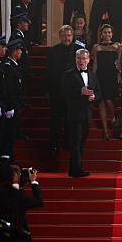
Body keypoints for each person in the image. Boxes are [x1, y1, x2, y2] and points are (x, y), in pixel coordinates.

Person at [63, 49, 101, 177]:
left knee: (81, 143)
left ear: (88, 60)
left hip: (87, 115)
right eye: (79, 58)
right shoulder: (69, 74)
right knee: (75, 143)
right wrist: (80, 92)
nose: (81, 61)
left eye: (84, 59)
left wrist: (94, 97)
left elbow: (99, 93)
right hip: (74, 114)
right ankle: (75, 170)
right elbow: (65, 92)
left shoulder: (92, 75)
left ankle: (77, 167)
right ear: (76, 59)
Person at [47, 25, 77, 157]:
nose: (67, 38)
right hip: (57, 91)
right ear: (60, 37)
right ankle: (54, 145)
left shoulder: (78, 50)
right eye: (64, 35)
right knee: (56, 120)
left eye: (69, 35)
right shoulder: (53, 51)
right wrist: (48, 90)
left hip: (72, 93)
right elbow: (49, 71)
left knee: (71, 119)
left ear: (72, 36)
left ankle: (69, 144)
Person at [92, 24, 121, 140]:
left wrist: (120, 75)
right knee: (101, 102)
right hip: (100, 76)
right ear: (101, 34)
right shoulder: (96, 47)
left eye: (109, 32)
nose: (107, 34)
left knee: (108, 100)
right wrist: (92, 79)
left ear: (112, 34)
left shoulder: (117, 46)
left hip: (112, 76)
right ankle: (105, 131)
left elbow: (119, 64)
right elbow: (94, 64)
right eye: (105, 32)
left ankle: (113, 118)